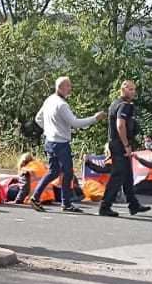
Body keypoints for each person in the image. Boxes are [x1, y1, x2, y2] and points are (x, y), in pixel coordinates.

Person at [31, 76, 102, 214]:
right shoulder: (62, 105)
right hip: (61, 143)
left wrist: (49, 129)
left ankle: (36, 197)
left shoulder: (49, 100)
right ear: (61, 87)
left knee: (54, 171)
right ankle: (66, 203)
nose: (70, 88)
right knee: (68, 172)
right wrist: (95, 118)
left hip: (50, 141)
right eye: (68, 86)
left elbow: (38, 118)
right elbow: (75, 123)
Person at [98, 80, 151, 218]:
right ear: (124, 89)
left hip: (115, 143)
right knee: (118, 175)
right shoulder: (125, 106)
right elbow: (120, 125)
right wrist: (126, 145)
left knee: (127, 174)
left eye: (134, 90)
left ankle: (133, 204)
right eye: (131, 89)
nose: (134, 92)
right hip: (120, 144)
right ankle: (105, 206)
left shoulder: (115, 103)